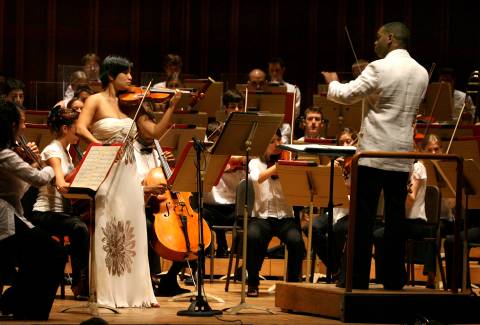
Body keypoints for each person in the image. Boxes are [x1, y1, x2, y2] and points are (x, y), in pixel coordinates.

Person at [322, 21, 429, 290]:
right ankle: (393, 279)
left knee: (363, 220)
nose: (374, 42)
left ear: (391, 38)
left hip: (372, 155)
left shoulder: (379, 67)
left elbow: (347, 95)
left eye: (378, 37)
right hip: (401, 155)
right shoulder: (421, 72)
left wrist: (333, 83)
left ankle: (357, 280)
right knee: (395, 221)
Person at [75, 55, 180, 308]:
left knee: (134, 229)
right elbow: (80, 128)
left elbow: (154, 133)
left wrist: (171, 107)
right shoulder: (95, 100)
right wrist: (101, 146)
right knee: (109, 228)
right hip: (108, 171)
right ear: (111, 75)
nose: (131, 78)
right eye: (126, 73)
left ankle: (138, 292)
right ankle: (110, 291)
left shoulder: (134, 105)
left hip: (129, 175)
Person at [0, 100, 66, 320]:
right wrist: (49, 167)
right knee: (53, 253)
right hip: (4, 219)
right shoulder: (4, 154)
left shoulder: (8, 154)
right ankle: (23, 306)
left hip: (11, 213)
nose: (25, 127)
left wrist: (31, 164)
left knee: (39, 256)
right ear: (11, 125)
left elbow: (18, 189)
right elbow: (39, 180)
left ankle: (18, 303)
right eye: (23, 122)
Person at [30, 105, 90, 300]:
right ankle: (79, 281)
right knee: (78, 227)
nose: (78, 131)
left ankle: (89, 280)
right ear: (65, 129)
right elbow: (61, 184)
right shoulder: (53, 151)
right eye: (76, 127)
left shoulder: (67, 151)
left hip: (61, 213)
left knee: (90, 223)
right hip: (45, 213)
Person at [246, 129, 305, 297]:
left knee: (296, 241)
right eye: (272, 141)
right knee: (253, 236)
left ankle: (292, 284)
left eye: (278, 140)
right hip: (262, 217)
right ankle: (253, 282)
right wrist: (277, 168)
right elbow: (258, 178)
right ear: (263, 145)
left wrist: (290, 168)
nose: (277, 144)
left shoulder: (287, 162)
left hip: (284, 217)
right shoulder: (255, 163)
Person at [132, 132, 191, 297]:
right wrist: (147, 189)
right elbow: (127, 183)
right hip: (138, 204)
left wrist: (170, 165)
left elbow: (169, 181)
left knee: (188, 232)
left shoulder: (158, 152)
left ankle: (170, 279)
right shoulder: (130, 152)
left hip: (162, 206)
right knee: (149, 227)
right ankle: (150, 279)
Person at [373, 138, 437, 288]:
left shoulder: (418, 167)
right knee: (379, 233)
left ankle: (392, 276)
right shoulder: (401, 170)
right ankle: (384, 276)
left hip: (416, 222)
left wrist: (398, 188)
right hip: (401, 221)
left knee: (386, 234)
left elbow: (411, 198)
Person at [303, 128, 357, 280]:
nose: (345, 145)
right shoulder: (336, 163)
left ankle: (340, 269)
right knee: (310, 228)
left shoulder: (359, 163)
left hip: (351, 211)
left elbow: (358, 190)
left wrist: (340, 179)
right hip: (335, 210)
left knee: (338, 230)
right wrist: (329, 172)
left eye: (348, 141)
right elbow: (322, 190)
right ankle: (336, 268)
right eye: (342, 142)